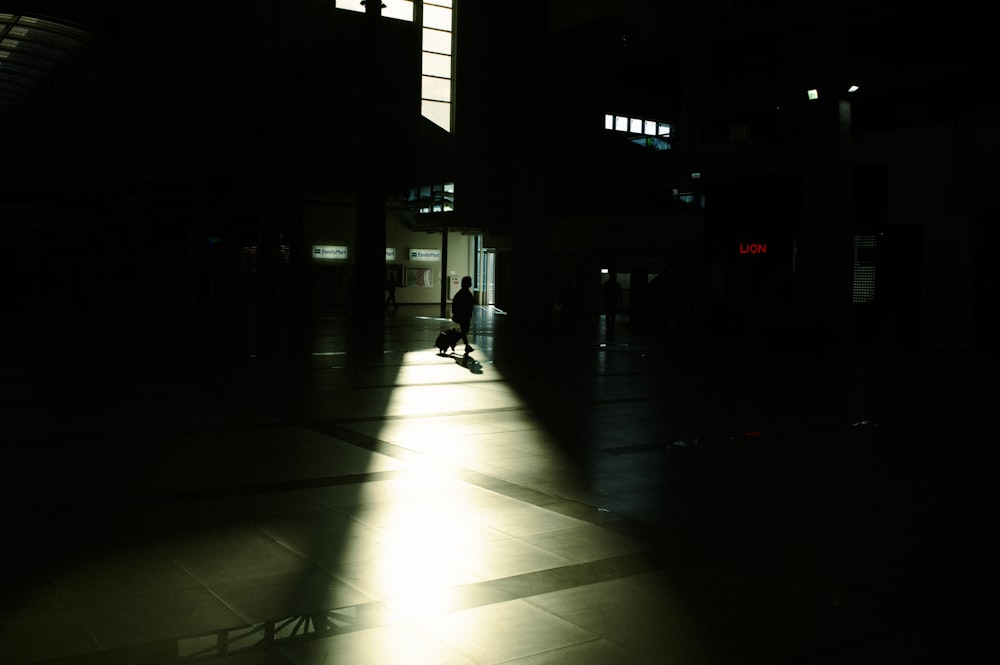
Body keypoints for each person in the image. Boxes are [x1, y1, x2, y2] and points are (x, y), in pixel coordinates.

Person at [451, 275, 475, 353]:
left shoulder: (460, 293)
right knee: (465, 330)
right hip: (464, 315)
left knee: (464, 330)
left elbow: (454, 304)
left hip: (461, 315)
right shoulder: (466, 293)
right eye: (470, 282)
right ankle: (453, 341)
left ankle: (466, 346)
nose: (471, 283)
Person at [602, 272, 622, 338]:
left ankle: (608, 326)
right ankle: (611, 326)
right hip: (613, 300)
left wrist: (604, 299)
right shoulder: (616, 284)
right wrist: (620, 301)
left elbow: (603, 292)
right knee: (613, 314)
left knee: (608, 313)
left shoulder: (606, 283)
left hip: (608, 300)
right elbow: (619, 293)